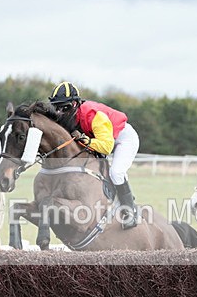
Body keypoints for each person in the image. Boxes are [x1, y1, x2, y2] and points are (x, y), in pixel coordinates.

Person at [48, 81, 140, 229]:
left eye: (62, 107)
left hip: (122, 139)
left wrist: (85, 140)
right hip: (102, 140)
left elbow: (106, 147)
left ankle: (130, 211)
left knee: (116, 172)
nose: (59, 112)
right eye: (56, 107)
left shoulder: (93, 114)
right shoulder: (70, 115)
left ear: (74, 104)